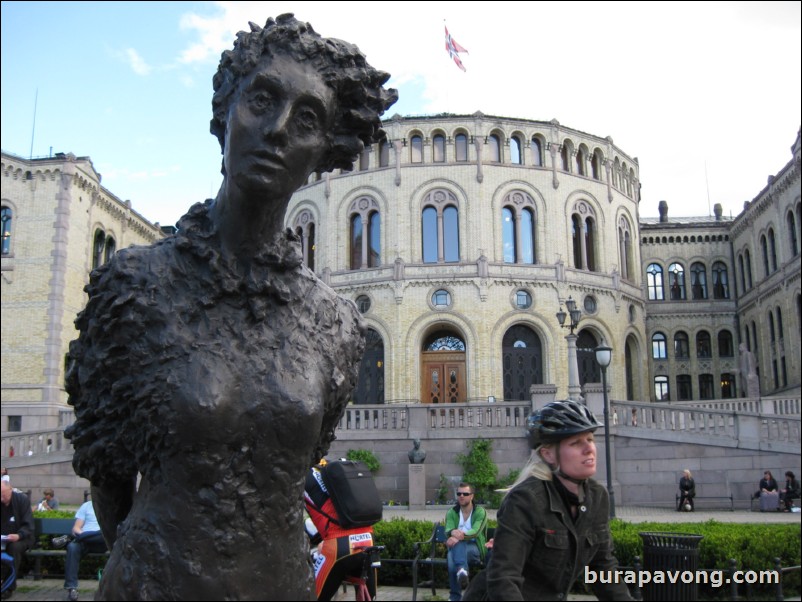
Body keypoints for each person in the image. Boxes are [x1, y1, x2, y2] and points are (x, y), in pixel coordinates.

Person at [63, 14, 396, 600]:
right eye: (262, 100)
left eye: (307, 119)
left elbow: (295, 468)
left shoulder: (335, 323)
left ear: (322, 151)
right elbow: (109, 480)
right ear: (225, 113)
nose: (277, 130)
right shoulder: (135, 288)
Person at [463, 400, 633, 601]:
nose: (589, 449)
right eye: (576, 443)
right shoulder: (526, 499)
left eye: (590, 439)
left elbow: (602, 568)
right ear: (548, 454)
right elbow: (504, 577)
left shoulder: (597, 497)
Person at [304, 461, 377, 601]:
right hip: (368, 539)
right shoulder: (330, 471)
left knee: (313, 597)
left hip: (339, 545)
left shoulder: (299, 476)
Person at [444, 482, 487, 601]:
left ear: (472, 496)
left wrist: (457, 535)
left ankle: (454, 597)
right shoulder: (452, 512)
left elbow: (475, 531)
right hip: (457, 549)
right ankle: (462, 571)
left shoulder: (480, 512)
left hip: (474, 549)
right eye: (459, 493)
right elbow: (448, 529)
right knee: (453, 555)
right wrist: (452, 532)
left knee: (452, 555)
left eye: (465, 493)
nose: (461, 496)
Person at [61, 497, 107, 602]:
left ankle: (70, 539)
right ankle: (72, 588)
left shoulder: (111, 506)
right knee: (72, 547)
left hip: (102, 542)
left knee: (102, 533)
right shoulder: (86, 506)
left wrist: (81, 536)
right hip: (84, 542)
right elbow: (76, 528)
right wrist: (83, 535)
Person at [1, 481, 34, 599]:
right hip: (3, 539)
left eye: (3, 495)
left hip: (21, 538)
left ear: (11, 490)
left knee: (13, 548)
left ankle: (8, 586)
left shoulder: (22, 500)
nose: (1, 498)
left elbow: (28, 524)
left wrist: (19, 535)